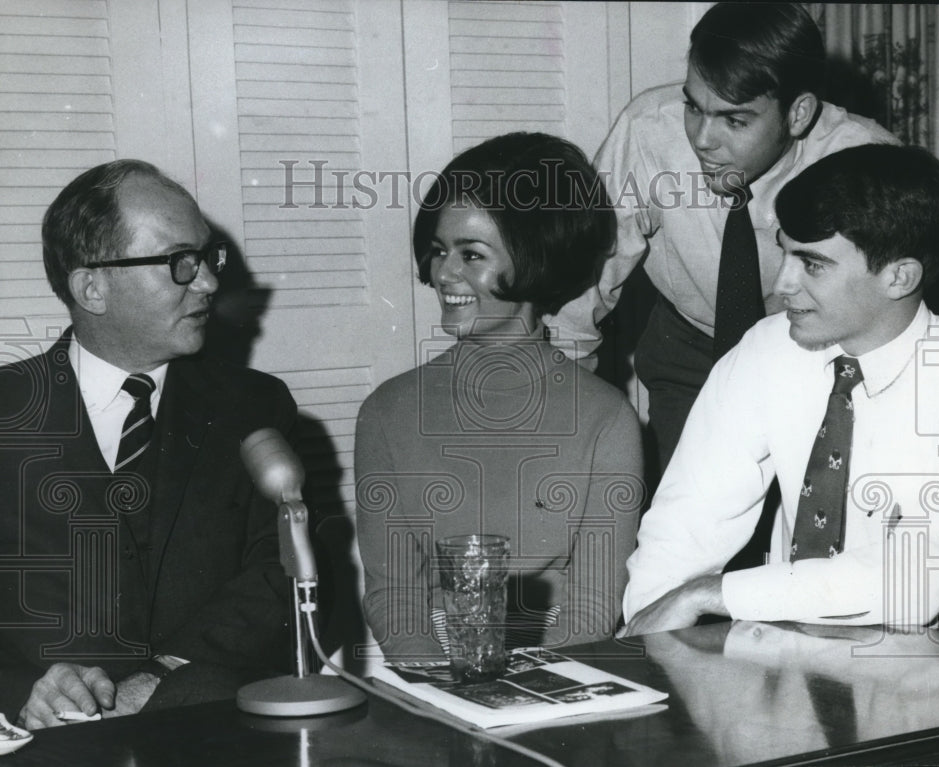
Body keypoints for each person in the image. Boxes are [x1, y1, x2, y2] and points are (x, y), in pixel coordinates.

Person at [546, 2, 939, 476]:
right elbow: (579, 287)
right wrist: (563, 413)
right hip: (692, 349)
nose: (702, 139)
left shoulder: (865, 158)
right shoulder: (647, 133)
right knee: (693, 514)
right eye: (694, 107)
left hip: (827, 356)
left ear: (798, 113)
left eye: (734, 121)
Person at [619, 144, 939, 637]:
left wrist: (710, 594)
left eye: (812, 264)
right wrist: (652, 632)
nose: (781, 284)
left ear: (899, 276)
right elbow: (686, 520)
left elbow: (907, 586)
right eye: (784, 251)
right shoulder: (767, 349)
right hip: (791, 653)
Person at [0, 160, 296, 728]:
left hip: (209, 725)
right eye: (179, 263)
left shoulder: (253, 405)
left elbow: (277, 574)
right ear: (92, 286)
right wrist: (26, 691)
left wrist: (161, 678)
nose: (208, 281)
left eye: (208, 257)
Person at [355, 133, 644, 661]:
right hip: (433, 666)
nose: (445, 273)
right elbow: (394, 595)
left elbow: (594, 607)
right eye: (440, 251)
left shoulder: (607, 420)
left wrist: (529, 694)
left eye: (472, 255)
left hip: (562, 664)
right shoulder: (387, 412)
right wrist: (441, 687)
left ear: (536, 259)